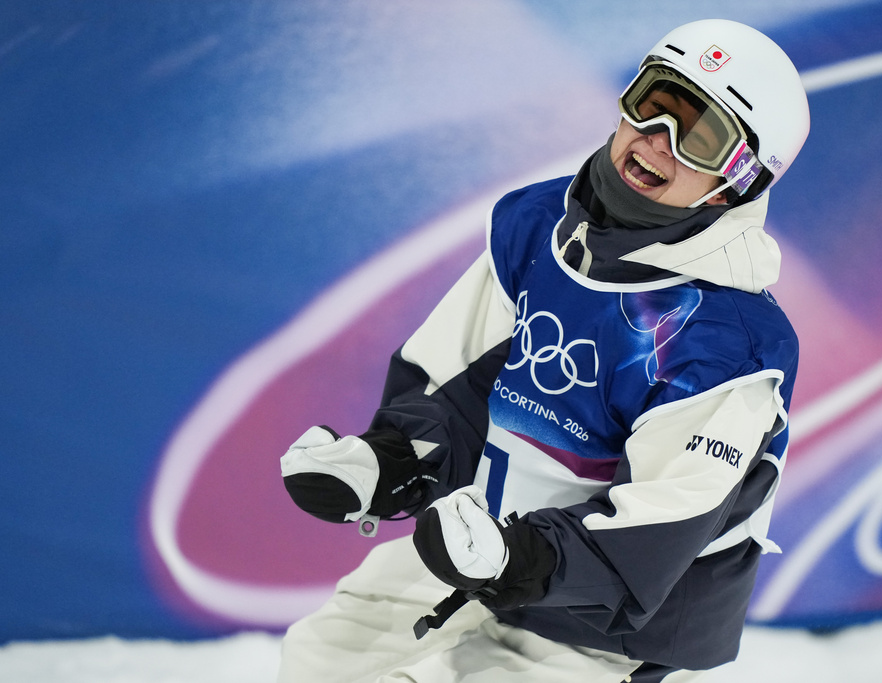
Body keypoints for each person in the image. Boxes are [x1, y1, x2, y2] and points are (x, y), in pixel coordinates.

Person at [277, 18, 810, 683]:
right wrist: (389, 464)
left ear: (739, 180)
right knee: (323, 656)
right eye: (653, 105)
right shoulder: (539, 225)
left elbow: (662, 521)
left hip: (606, 618)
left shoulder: (725, 340)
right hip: (478, 537)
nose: (656, 141)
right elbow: (457, 376)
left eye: (699, 138)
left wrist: (516, 559)